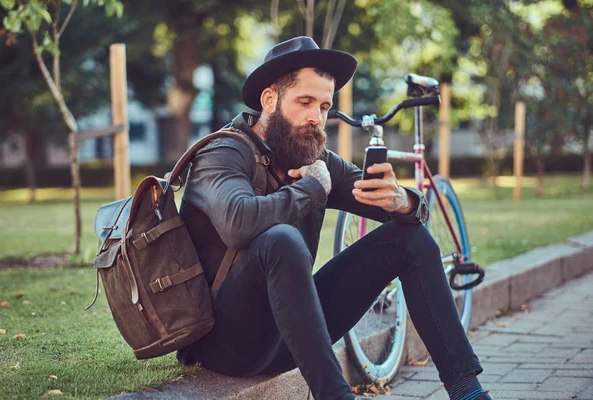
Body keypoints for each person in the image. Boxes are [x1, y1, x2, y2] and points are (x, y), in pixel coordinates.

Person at [177, 36, 492, 400]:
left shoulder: (316, 160)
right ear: (270, 100)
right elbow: (238, 223)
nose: (316, 117)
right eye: (305, 102)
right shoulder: (223, 152)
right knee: (280, 239)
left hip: (290, 336)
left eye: (325, 106)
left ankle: (467, 391)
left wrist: (402, 200)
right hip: (228, 345)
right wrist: (312, 189)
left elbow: (394, 204)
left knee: (409, 240)